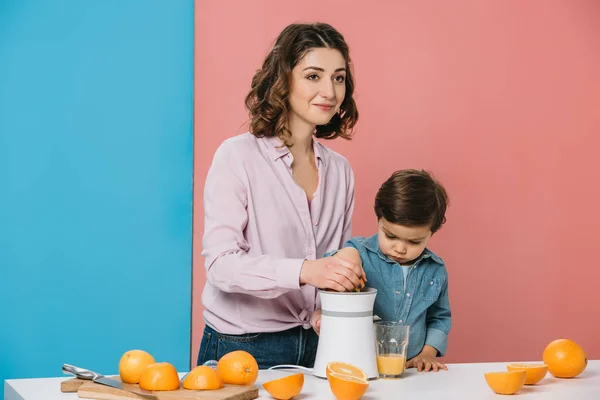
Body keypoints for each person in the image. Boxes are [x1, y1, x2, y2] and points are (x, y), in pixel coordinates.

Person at [197, 22, 366, 369]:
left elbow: (334, 259)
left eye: (338, 78)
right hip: (244, 347)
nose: (330, 92)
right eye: (313, 76)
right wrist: (306, 271)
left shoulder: (341, 171)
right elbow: (220, 265)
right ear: (283, 80)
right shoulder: (237, 157)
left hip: (321, 341)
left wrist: (338, 285)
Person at [313, 169, 452, 372]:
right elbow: (328, 269)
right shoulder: (359, 254)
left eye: (414, 241)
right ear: (379, 220)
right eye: (391, 236)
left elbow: (439, 317)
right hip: (358, 366)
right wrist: (347, 254)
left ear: (432, 232)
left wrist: (427, 353)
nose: (400, 248)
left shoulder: (435, 270)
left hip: (409, 370)